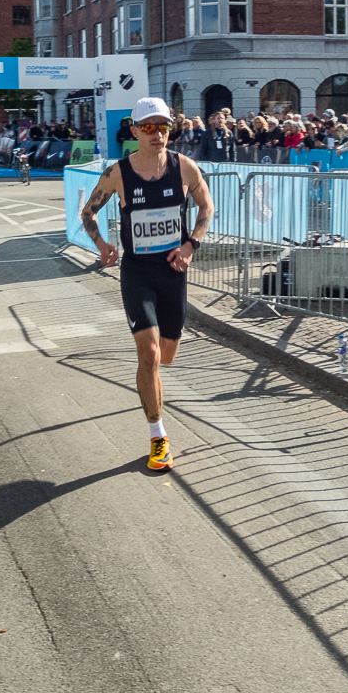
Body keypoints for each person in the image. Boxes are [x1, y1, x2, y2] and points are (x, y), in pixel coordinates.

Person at [80, 97, 214, 471]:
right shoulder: (118, 173)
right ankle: (158, 436)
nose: (158, 134)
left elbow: (206, 207)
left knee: (167, 355)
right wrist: (103, 245)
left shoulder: (185, 168)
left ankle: (151, 387)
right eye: (150, 127)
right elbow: (88, 212)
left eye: (164, 127)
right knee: (150, 353)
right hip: (137, 272)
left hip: (173, 271)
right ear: (135, 130)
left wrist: (192, 244)